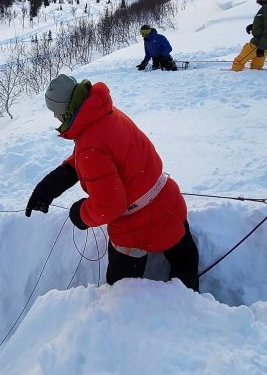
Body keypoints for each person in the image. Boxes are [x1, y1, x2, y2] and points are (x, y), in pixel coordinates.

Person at [25, 74, 200, 291]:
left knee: (121, 294)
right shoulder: (106, 113)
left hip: (134, 229)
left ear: (65, 111)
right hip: (169, 203)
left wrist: (80, 214)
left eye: (55, 113)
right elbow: (100, 154)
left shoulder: (89, 146)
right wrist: (49, 187)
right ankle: (192, 307)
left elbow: (108, 205)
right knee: (186, 260)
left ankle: (124, 322)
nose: (55, 118)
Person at [231, 0, 267, 71]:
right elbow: (265, 23)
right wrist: (253, 27)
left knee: (238, 61)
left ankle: (233, 78)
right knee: (256, 67)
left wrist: (261, 47)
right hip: (264, 44)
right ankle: (254, 82)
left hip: (258, 43)